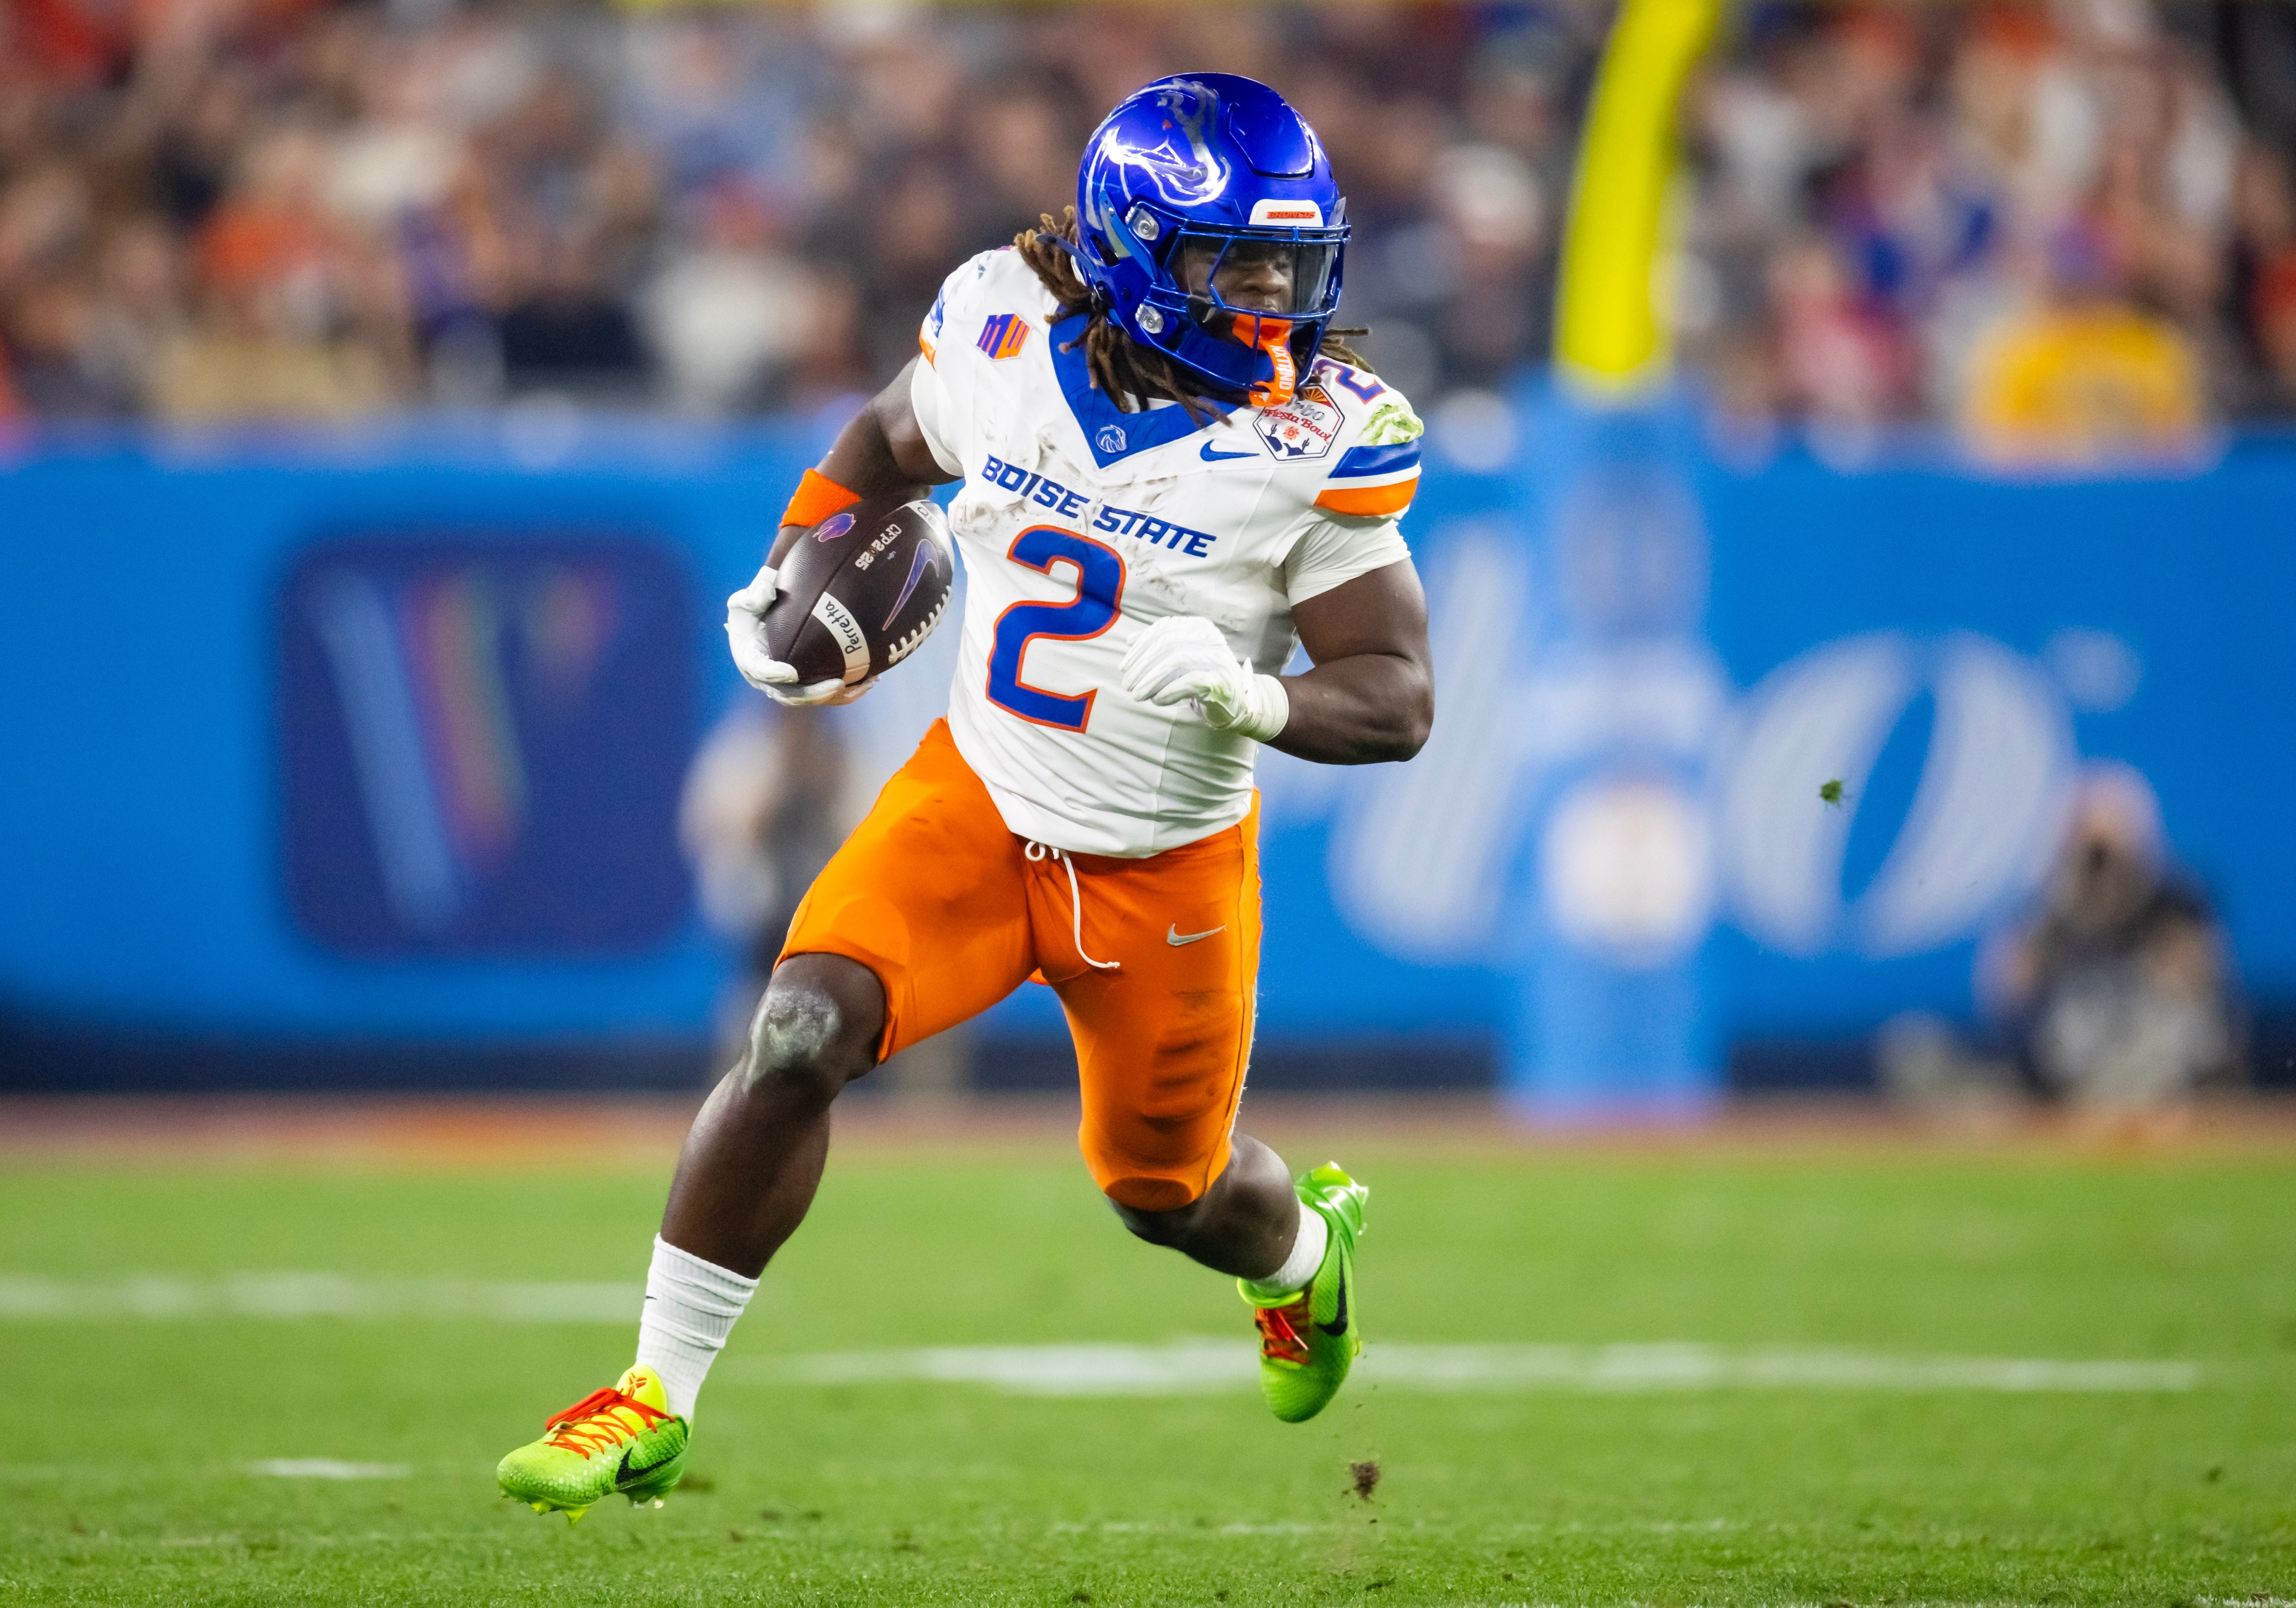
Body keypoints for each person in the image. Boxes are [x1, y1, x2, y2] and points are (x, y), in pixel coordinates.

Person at [497, 73, 1434, 1517]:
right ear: (1133, 253)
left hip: (1163, 860)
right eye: (1231, 263)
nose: (1268, 301)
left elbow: (1398, 696)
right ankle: (650, 1396)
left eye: (1287, 265)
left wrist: (1262, 697)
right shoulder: (1003, 327)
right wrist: (799, 546)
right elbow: (887, 438)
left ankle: (1307, 1259)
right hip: (979, 805)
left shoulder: (1315, 444)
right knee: (800, 1027)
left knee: (1167, 1195)